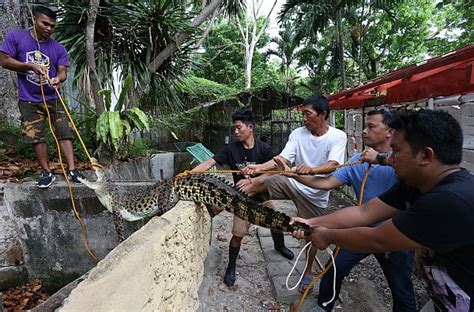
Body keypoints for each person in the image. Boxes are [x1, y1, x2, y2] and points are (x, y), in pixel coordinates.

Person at [292, 110, 474, 311]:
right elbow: (364, 213)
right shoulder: (415, 185)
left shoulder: (449, 200)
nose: (390, 159)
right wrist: (312, 223)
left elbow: (377, 239)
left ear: (425, 155)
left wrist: (326, 236)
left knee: (400, 289)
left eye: (395, 151)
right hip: (447, 299)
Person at [278, 108, 416, 311]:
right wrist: (294, 174)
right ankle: (323, 307)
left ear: (390, 131)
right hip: (361, 230)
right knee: (332, 271)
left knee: (400, 289)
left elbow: (415, 175)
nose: (364, 131)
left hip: (394, 236)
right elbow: (326, 183)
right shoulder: (358, 161)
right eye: (364, 126)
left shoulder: (401, 161)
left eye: (371, 126)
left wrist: (380, 159)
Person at [240, 94, 347, 293]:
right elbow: (281, 159)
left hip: (315, 194)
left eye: (308, 114)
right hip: (293, 182)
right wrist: (258, 168)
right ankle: (231, 200)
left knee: (311, 236)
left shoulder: (338, 136)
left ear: (323, 114)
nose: (304, 118)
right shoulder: (298, 133)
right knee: (261, 180)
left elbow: (333, 165)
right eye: (303, 114)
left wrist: (312, 170)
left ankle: (307, 271)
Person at [191, 109, 294, 287]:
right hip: (242, 201)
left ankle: (279, 246)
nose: (236, 132)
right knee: (237, 236)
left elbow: (273, 172)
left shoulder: (264, 149)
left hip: (262, 197)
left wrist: (256, 177)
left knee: (277, 223)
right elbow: (210, 162)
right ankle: (231, 267)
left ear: (250, 127)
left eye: (239, 128)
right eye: (234, 129)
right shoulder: (231, 150)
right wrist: (188, 174)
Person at [0, 5, 84, 188]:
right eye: (45, 23)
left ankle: (72, 170)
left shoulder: (58, 48)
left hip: (53, 97)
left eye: (52, 26)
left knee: (64, 131)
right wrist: (29, 66)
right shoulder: (16, 37)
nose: (49, 28)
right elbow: (4, 60)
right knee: (35, 135)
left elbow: (63, 72)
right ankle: (46, 172)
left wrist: (57, 79)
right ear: (34, 20)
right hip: (28, 98)